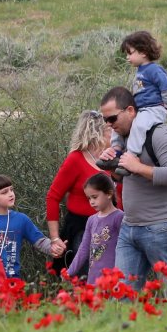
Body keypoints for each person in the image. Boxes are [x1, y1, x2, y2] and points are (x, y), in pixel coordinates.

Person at [100, 86, 167, 293]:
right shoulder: (125, 139)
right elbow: (124, 177)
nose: (110, 125)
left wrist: (138, 167)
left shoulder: (158, 133)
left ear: (130, 110)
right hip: (129, 227)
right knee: (122, 293)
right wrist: (113, 166)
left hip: (161, 227)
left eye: (112, 119)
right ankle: (125, 326)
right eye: (105, 121)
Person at [46, 110, 113, 272]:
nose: (115, 135)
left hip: (112, 227)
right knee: (83, 279)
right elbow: (53, 197)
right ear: (99, 134)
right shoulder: (76, 159)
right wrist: (55, 238)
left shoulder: (114, 158)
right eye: (111, 130)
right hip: (82, 230)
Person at [101, 32, 167, 176]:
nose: (127, 58)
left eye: (130, 53)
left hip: (154, 109)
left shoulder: (153, 69)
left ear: (143, 52)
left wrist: (166, 106)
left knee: (138, 126)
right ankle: (116, 150)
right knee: (120, 124)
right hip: (142, 109)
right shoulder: (140, 71)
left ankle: (131, 156)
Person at [0, 175, 65, 279]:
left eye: (11, 190)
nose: (11, 194)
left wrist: (54, 248)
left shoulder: (21, 219)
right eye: (4, 192)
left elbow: (40, 241)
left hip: (12, 278)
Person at [67, 174, 123, 285]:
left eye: (95, 197)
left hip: (113, 279)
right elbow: (83, 249)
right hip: (93, 279)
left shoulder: (119, 217)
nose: (91, 202)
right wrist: (69, 272)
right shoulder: (91, 220)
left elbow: (125, 249)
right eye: (89, 198)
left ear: (109, 193)